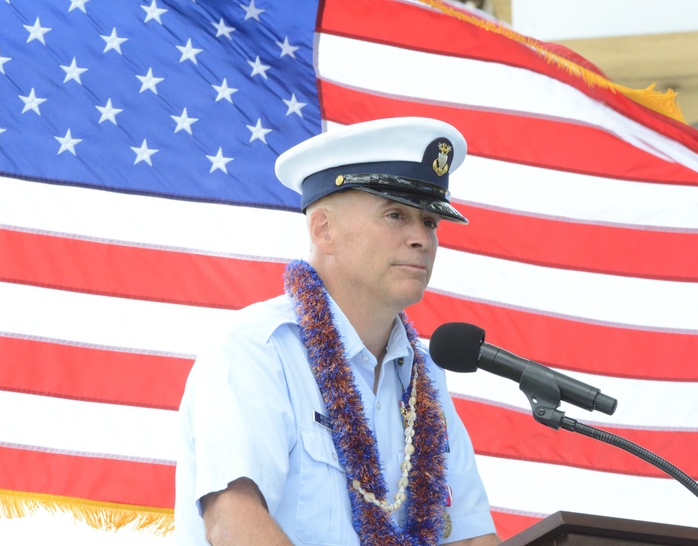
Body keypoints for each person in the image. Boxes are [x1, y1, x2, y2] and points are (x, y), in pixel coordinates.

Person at [175, 117, 500, 545]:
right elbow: (233, 523)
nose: (421, 238)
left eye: (430, 222)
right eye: (396, 215)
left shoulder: (426, 378)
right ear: (323, 229)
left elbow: (471, 537)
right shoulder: (258, 349)